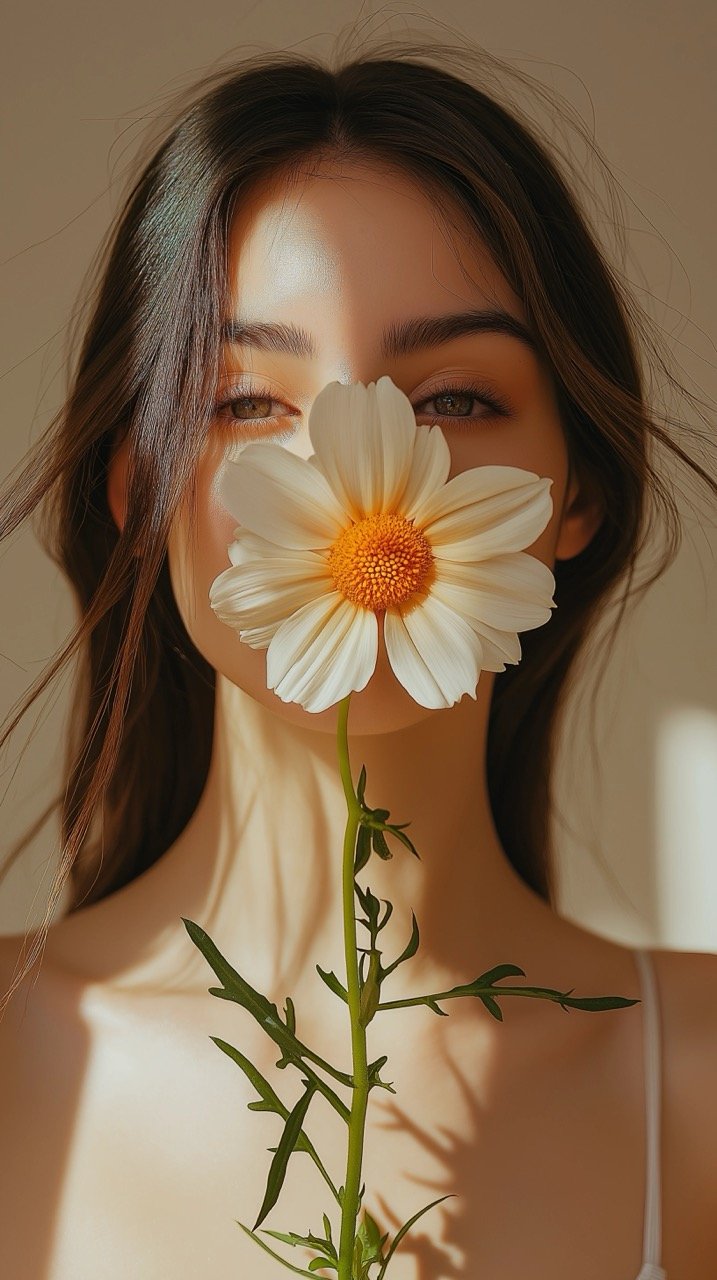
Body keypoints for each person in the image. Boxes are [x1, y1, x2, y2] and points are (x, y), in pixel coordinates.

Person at [0, 37, 715, 1280]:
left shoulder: (697, 1075)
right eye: (247, 404)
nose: (349, 478)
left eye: (451, 399)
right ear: (138, 488)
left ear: (576, 494)